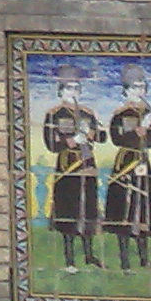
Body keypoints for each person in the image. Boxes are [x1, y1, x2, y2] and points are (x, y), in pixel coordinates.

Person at [101, 65, 151, 271]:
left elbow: (146, 141)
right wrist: (142, 127)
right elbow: (117, 139)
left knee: (143, 210)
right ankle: (124, 261)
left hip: (142, 161)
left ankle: (144, 259)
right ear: (126, 90)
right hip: (126, 162)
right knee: (124, 210)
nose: (139, 91)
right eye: (134, 87)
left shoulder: (147, 112)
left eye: (142, 87)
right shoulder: (122, 113)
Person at [42, 65, 104, 272]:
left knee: (89, 211)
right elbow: (51, 144)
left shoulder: (87, 112)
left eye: (76, 88)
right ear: (61, 91)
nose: (73, 92)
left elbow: (103, 136)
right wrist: (71, 141)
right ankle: (69, 260)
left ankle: (89, 255)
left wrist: (91, 134)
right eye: (69, 88)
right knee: (68, 212)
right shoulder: (54, 114)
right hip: (68, 168)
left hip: (88, 167)